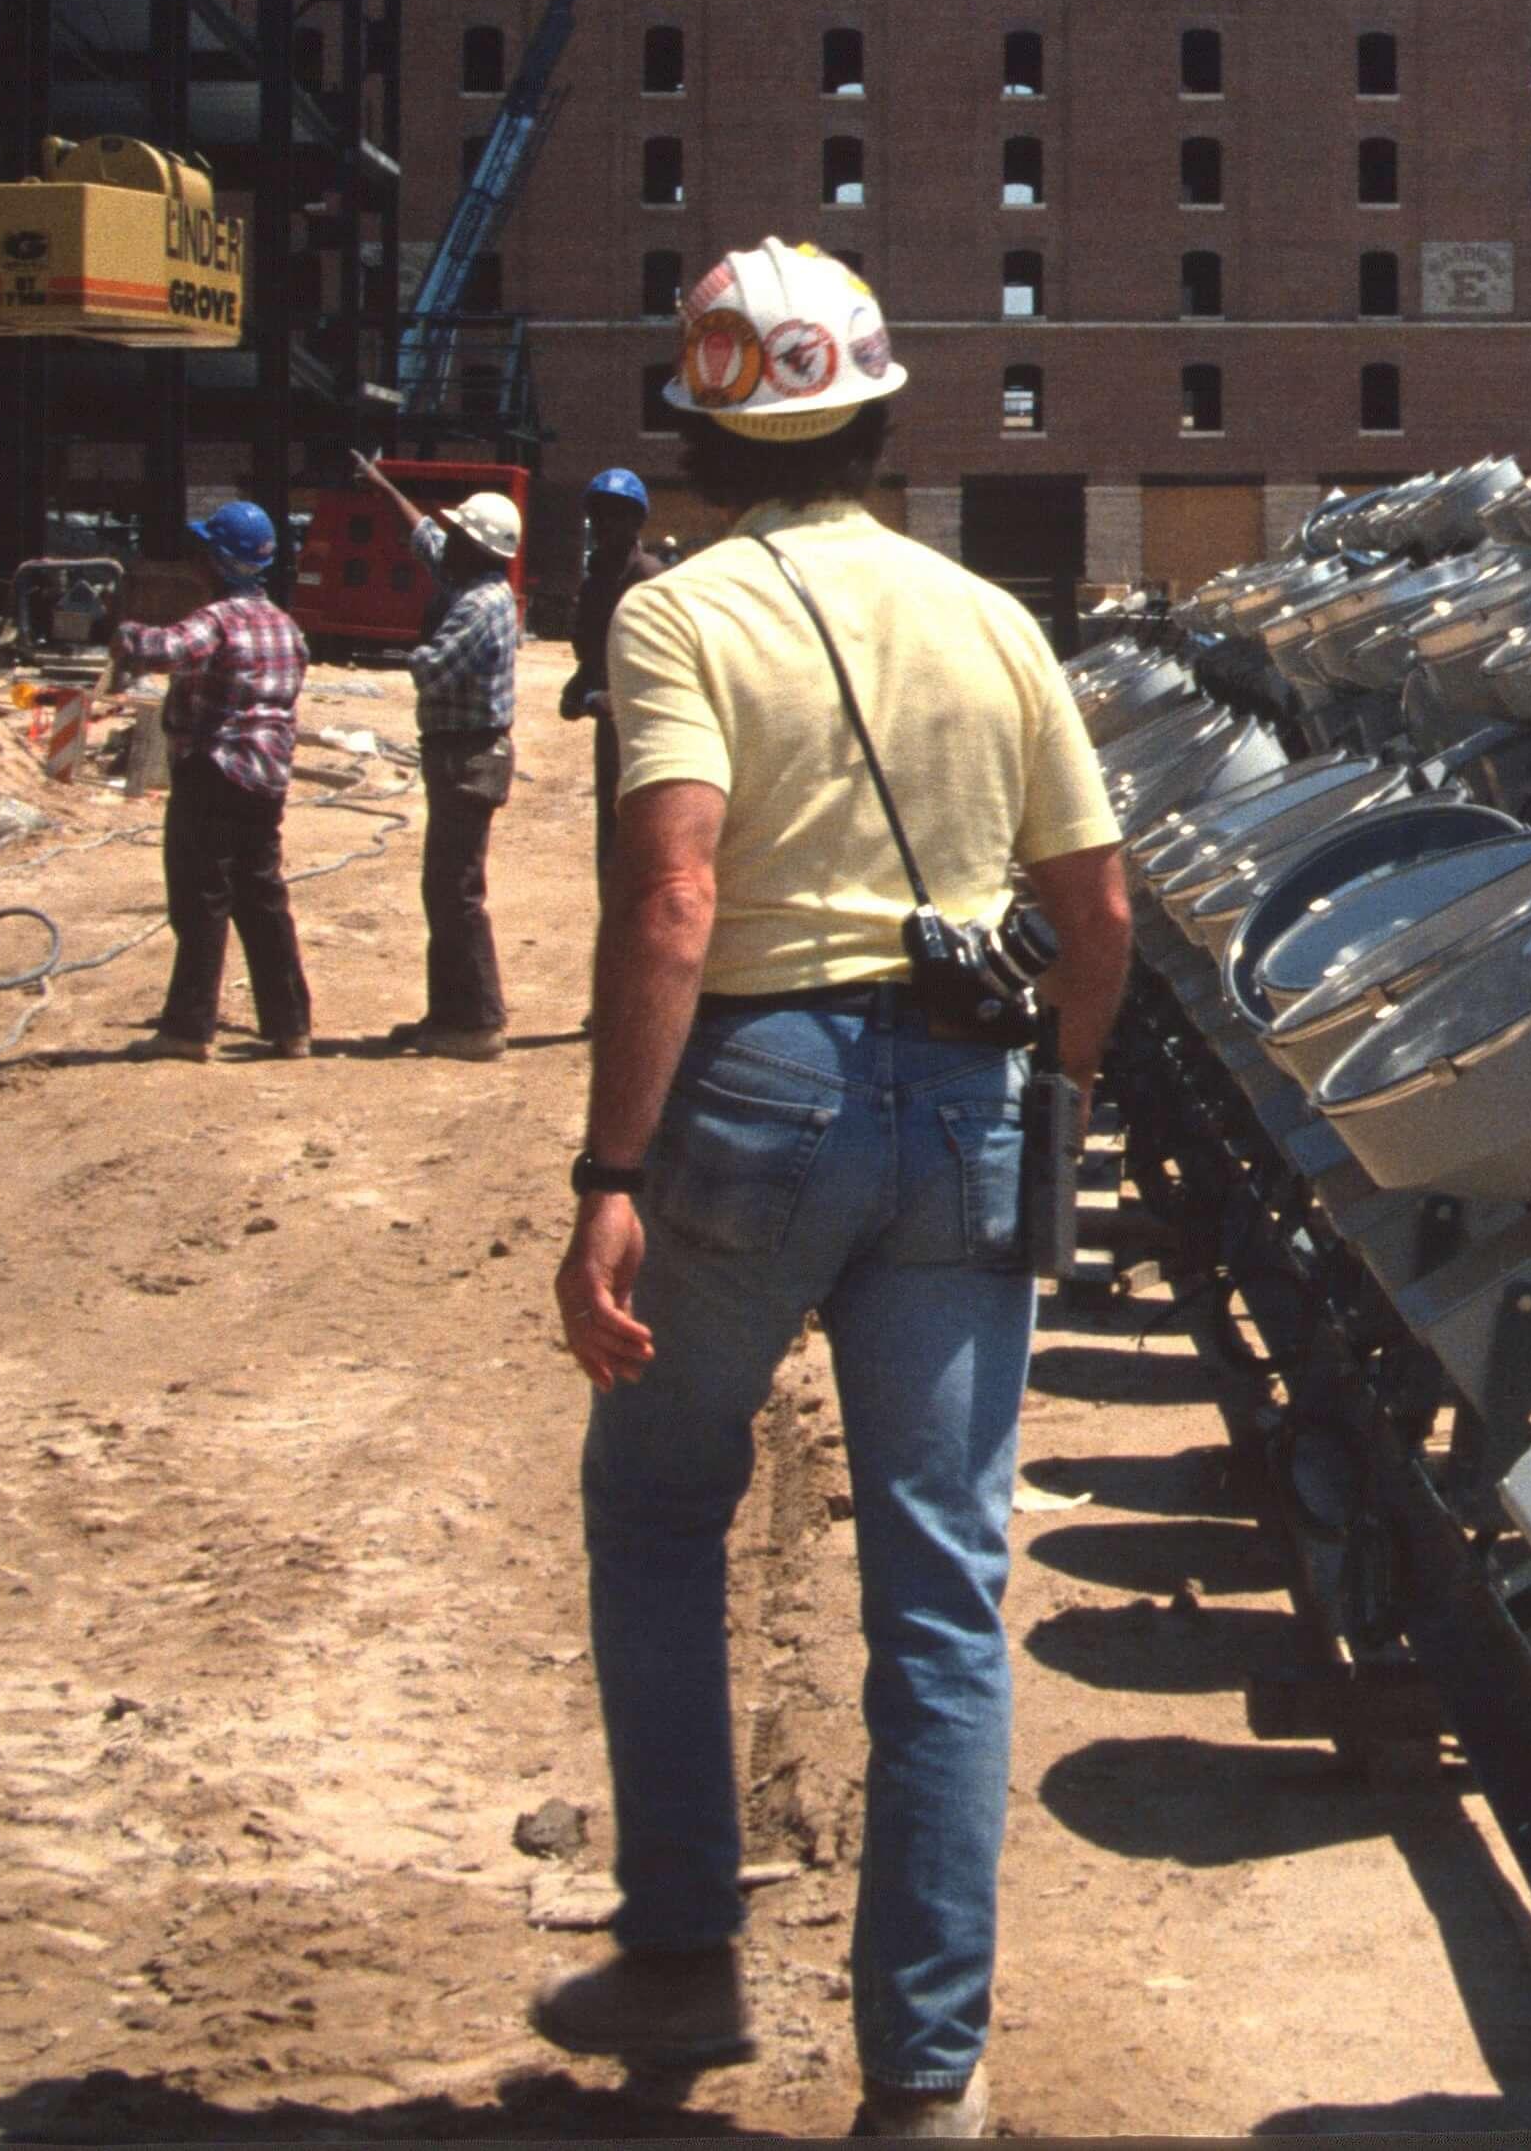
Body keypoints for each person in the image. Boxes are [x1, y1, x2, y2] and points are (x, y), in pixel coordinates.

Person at [539, 239, 1128, 2140]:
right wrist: (1064, 1094)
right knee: (943, 1593)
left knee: (656, 1503)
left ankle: (687, 1949)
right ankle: (923, 2082)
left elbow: (673, 899)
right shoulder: (990, 617)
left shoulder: (676, 613)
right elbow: (1096, 913)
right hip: (965, 1100)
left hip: (757, 1095)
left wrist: (608, 1170)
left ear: (703, 425)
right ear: (883, 417)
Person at [110, 500, 312, 1059]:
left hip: (214, 772)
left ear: (218, 562)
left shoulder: (218, 619)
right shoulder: (286, 626)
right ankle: (290, 1024)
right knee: (263, 897)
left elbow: (168, 650)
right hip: (267, 780)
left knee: (201, 899)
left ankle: (187, 1028)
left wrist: (123, 628)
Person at [352, 459, 524, 1060]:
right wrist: (383, 488)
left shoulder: (480, 605)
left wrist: (411, 637)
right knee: (444, 887)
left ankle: (477, 1021)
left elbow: (430, 670)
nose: (443, 540)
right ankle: (451, 1013)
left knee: (455, 892)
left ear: (477, 549)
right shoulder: (467, 579)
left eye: (456, 535)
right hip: (457, 754)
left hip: (469, 757)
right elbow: (424, 535)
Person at [559, 464, 665, 843]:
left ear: (636, 520)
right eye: (598, 513)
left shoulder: (654, 580)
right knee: (611, 823)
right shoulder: (596, 582)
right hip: (609, 725)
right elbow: (592, 650)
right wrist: (582, 683)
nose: (604, 523)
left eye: (616, 514)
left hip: (651, 723)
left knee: (645, 824)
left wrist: (619, 698)